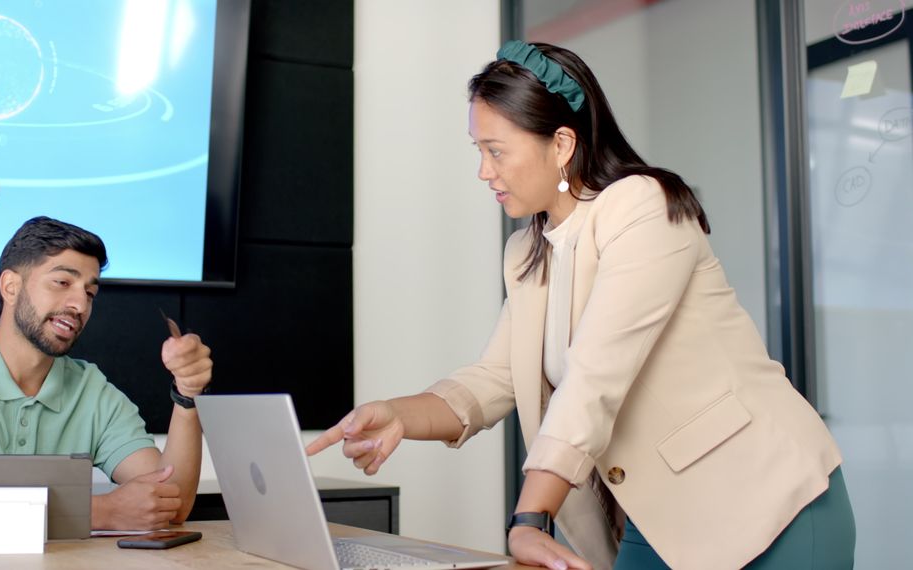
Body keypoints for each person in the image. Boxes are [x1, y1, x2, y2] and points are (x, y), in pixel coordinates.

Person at [307, 41, 855, 569]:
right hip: (658, 519)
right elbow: (494, 379)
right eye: (479, 151)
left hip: (768, 501)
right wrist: (400, 414)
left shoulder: (643, 207)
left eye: (496, 151)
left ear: (563, 145)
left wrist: (530, 517)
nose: (483, 172)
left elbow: (595, 376)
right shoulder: (530, 249)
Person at [0, 216, 213, 532]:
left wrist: (186, 394)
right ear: (10, 286)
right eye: (62, 282)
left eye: (90, 293)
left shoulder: (91, 389)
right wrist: (104, 511)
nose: (80, 304)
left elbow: (173, 503)